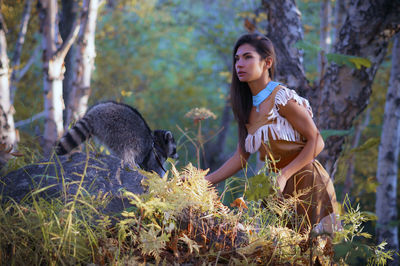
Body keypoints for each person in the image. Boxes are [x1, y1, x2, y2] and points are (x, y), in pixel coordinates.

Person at [205, 33, 339, 234]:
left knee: (312, 254)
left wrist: (284, 175)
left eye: (248, 57)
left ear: (267, 62)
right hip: (278, 190)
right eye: (237, 59)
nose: (240, 64)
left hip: (308, 182)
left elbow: (317, 141)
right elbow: (241, 157)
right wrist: (205, 181)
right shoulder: (246, 107)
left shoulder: (281, 98)